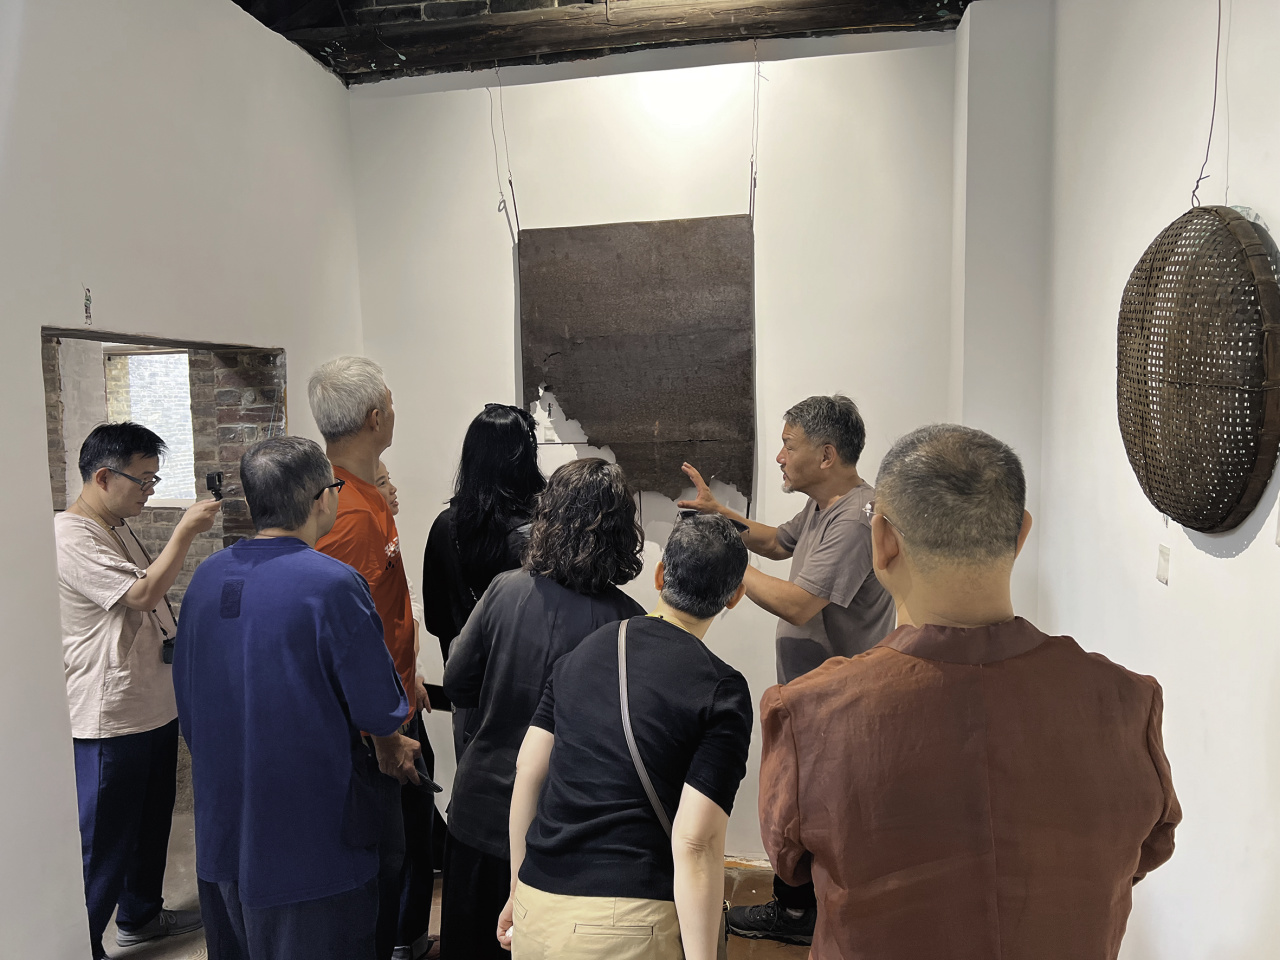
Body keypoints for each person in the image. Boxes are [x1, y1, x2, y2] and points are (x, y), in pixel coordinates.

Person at [759, 424, 1183, 959]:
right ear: (1021, 534)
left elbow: (789, 862)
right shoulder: (1127, 701)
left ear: (882, 541)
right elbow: (1150, 848)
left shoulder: (809, 713)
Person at [173, 437, 413, 960]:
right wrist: (393, 742)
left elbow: (188, 700)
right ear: (321, 498)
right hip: (311, 836)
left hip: (223, 827)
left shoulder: (206, 576)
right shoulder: (331, 584)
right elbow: (377, 707)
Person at [679, 394, 895, 945]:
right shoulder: (825, 506)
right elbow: (777, 542)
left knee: (820, 810)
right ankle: (799, 910)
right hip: (810, 692)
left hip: (839, 697)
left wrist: (725, 561)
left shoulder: (856, 519)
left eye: (788, 445)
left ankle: (815, 920)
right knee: (797, 805)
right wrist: (721, 516)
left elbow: (799, 605)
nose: (779, 456)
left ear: (826, 455)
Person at [499, 513, 754, 960]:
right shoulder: (721, 690)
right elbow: (696, 842)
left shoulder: (580, 655)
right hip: (629, 923)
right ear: (735, 596)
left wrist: (517, 889)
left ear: (660, 575)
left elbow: (528, 770)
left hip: (538, 907)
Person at [440, 458, 645, 960]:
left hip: (481, 808)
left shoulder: (503, 590)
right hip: (567, 826)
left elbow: (458, 682)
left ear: (548, 516)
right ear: (622, 532)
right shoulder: (628, 625)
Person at [55, 422, 220, 960]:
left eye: (154, 480)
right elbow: (143, 594)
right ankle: (82, 944)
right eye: (143, 480)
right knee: (103, 839)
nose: (149, 491)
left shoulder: (115, 523)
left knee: (151, 823)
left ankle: (141, 916)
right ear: (103, 477)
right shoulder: (71, 535)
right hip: (109, 714)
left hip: (151, 703)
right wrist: (185, 531)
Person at [308, 357, 427, 960]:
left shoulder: (364, 495)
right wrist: (381, 732)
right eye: (392, 402)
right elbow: (347, 636)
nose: (396, 412)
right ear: (375, 417)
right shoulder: (349, 516)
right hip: (372, 728)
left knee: (405, 851)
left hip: (396, 701)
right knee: (382, 864)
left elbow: (383, 606)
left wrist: (410, 676)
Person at [375, 458, 445, 960]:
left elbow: (408, 608)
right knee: (403, 827)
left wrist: (413, 670)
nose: (394, 489)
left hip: (403, 693)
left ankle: (410, 936)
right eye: (382, 482)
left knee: (415, 823)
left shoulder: (386, 532)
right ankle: (404, 939)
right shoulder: (358, 537)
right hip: (386, 713)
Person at [421, 403, 544, 669]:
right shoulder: (540, 530)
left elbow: (437, 618)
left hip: (463, 672)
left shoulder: (444, 526)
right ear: (523, 459)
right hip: (524, 676)